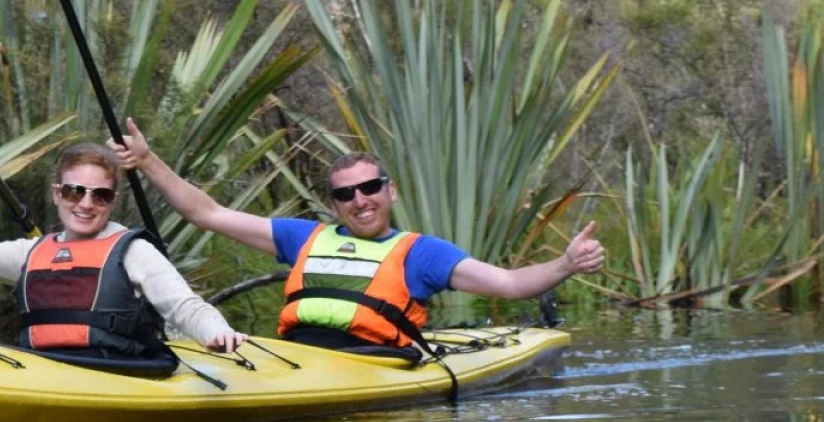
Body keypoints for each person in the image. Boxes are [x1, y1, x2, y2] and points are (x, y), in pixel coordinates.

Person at [109, 120, 605, 352]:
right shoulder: (302, 236)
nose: (360, 200)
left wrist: (564, 265)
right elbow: (208, 214)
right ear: (333, 204)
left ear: (390, 191)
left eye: (370, 188)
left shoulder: (420, 254)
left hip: (372, 362)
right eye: (346, 194)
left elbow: (509, 285)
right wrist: (147, 160)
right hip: (295, 357)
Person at [0, 141, 246, 362]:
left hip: (114, 372)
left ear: (113, 200)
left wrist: (216, 332)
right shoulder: (31, 253)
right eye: (74, 191)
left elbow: (185, 308)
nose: (85, 204)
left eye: (100, 195)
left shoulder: (134, 252)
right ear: (57, 194)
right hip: (42, 369)